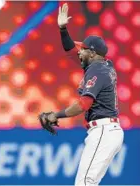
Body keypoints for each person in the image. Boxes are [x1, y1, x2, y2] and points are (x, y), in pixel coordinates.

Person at [39, 3, 124, 186]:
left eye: (83, 50)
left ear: (92, 53)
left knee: (84, 182)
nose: (79, 52)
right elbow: (71, 49)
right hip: (107, 130)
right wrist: (63, 29)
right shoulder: (103, 64)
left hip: (103, 130)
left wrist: (56, 114)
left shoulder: (96, 70)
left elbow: (83, 104)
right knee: (88, 182)